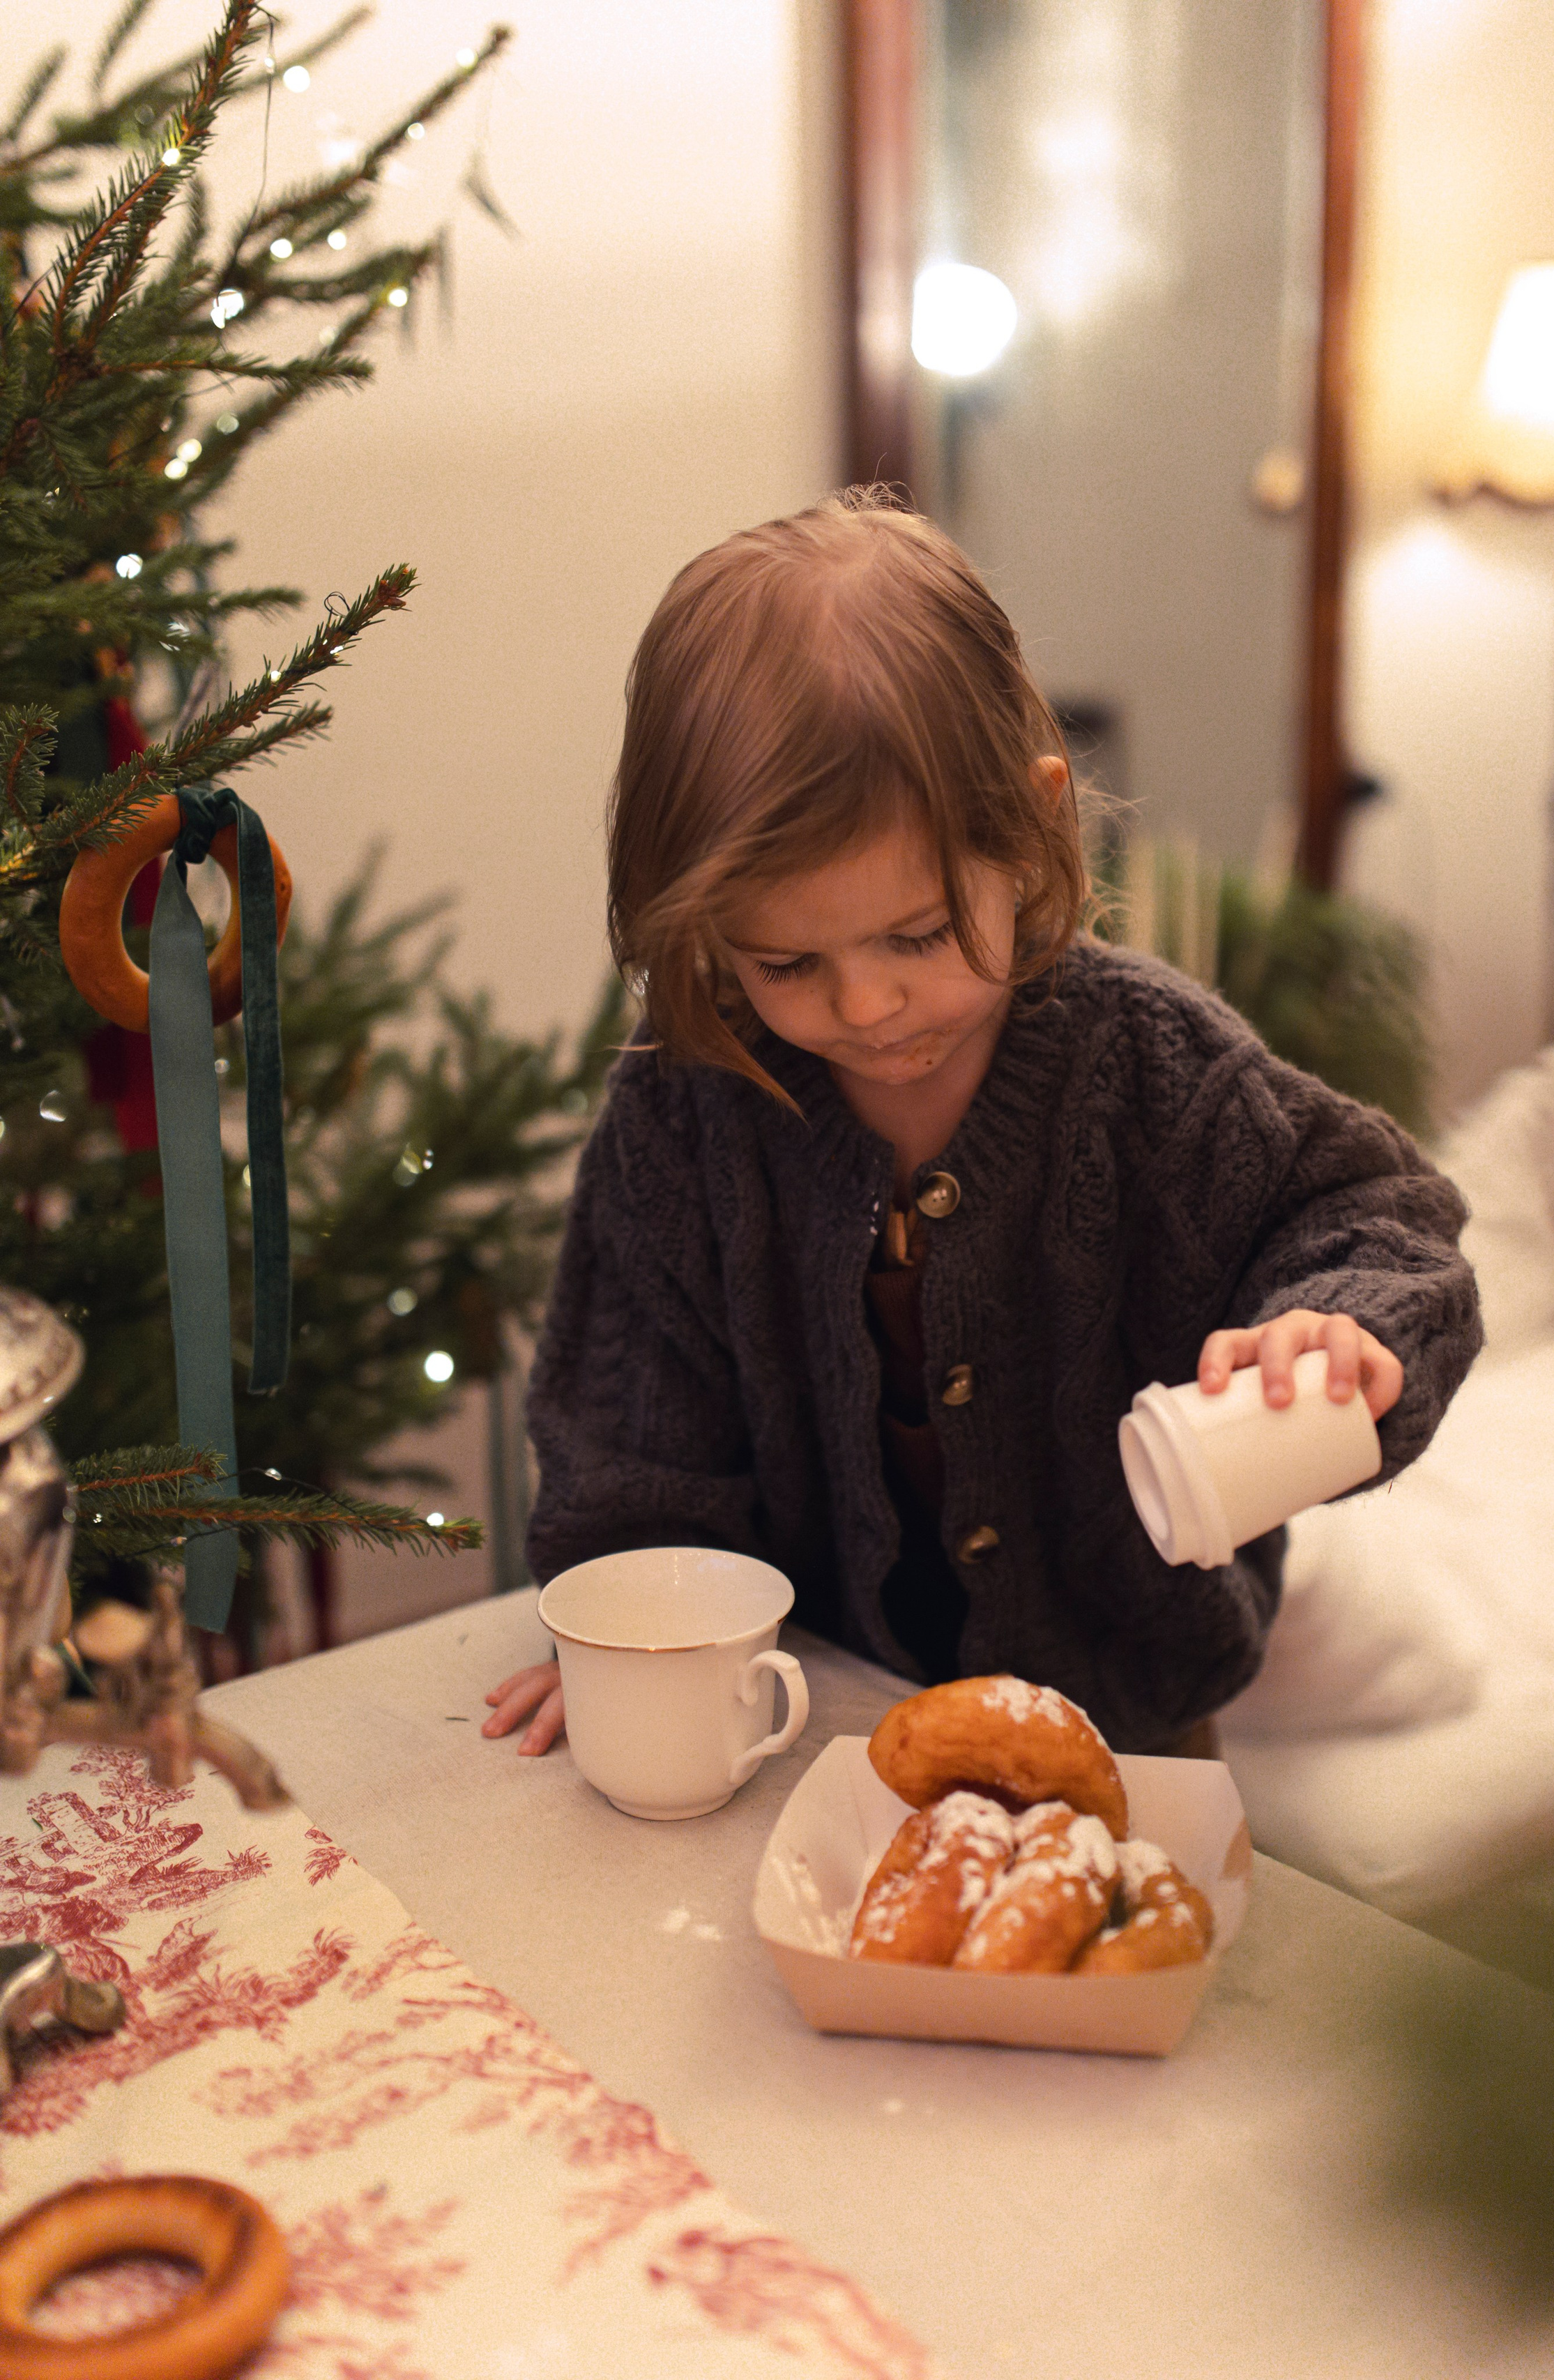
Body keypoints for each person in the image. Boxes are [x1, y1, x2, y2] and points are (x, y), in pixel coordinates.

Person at [484, 487, 1481, 1758]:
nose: (866, 1002)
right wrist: (626, 1630)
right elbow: (627, 1428)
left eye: (917, 933)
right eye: (787, 965)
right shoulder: (688, 1113)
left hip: (1120, 1720)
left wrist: (1343, 1328)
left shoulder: (1150, 1070)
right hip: (801, 1711)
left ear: (1033, 827)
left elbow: (1384, 1220)